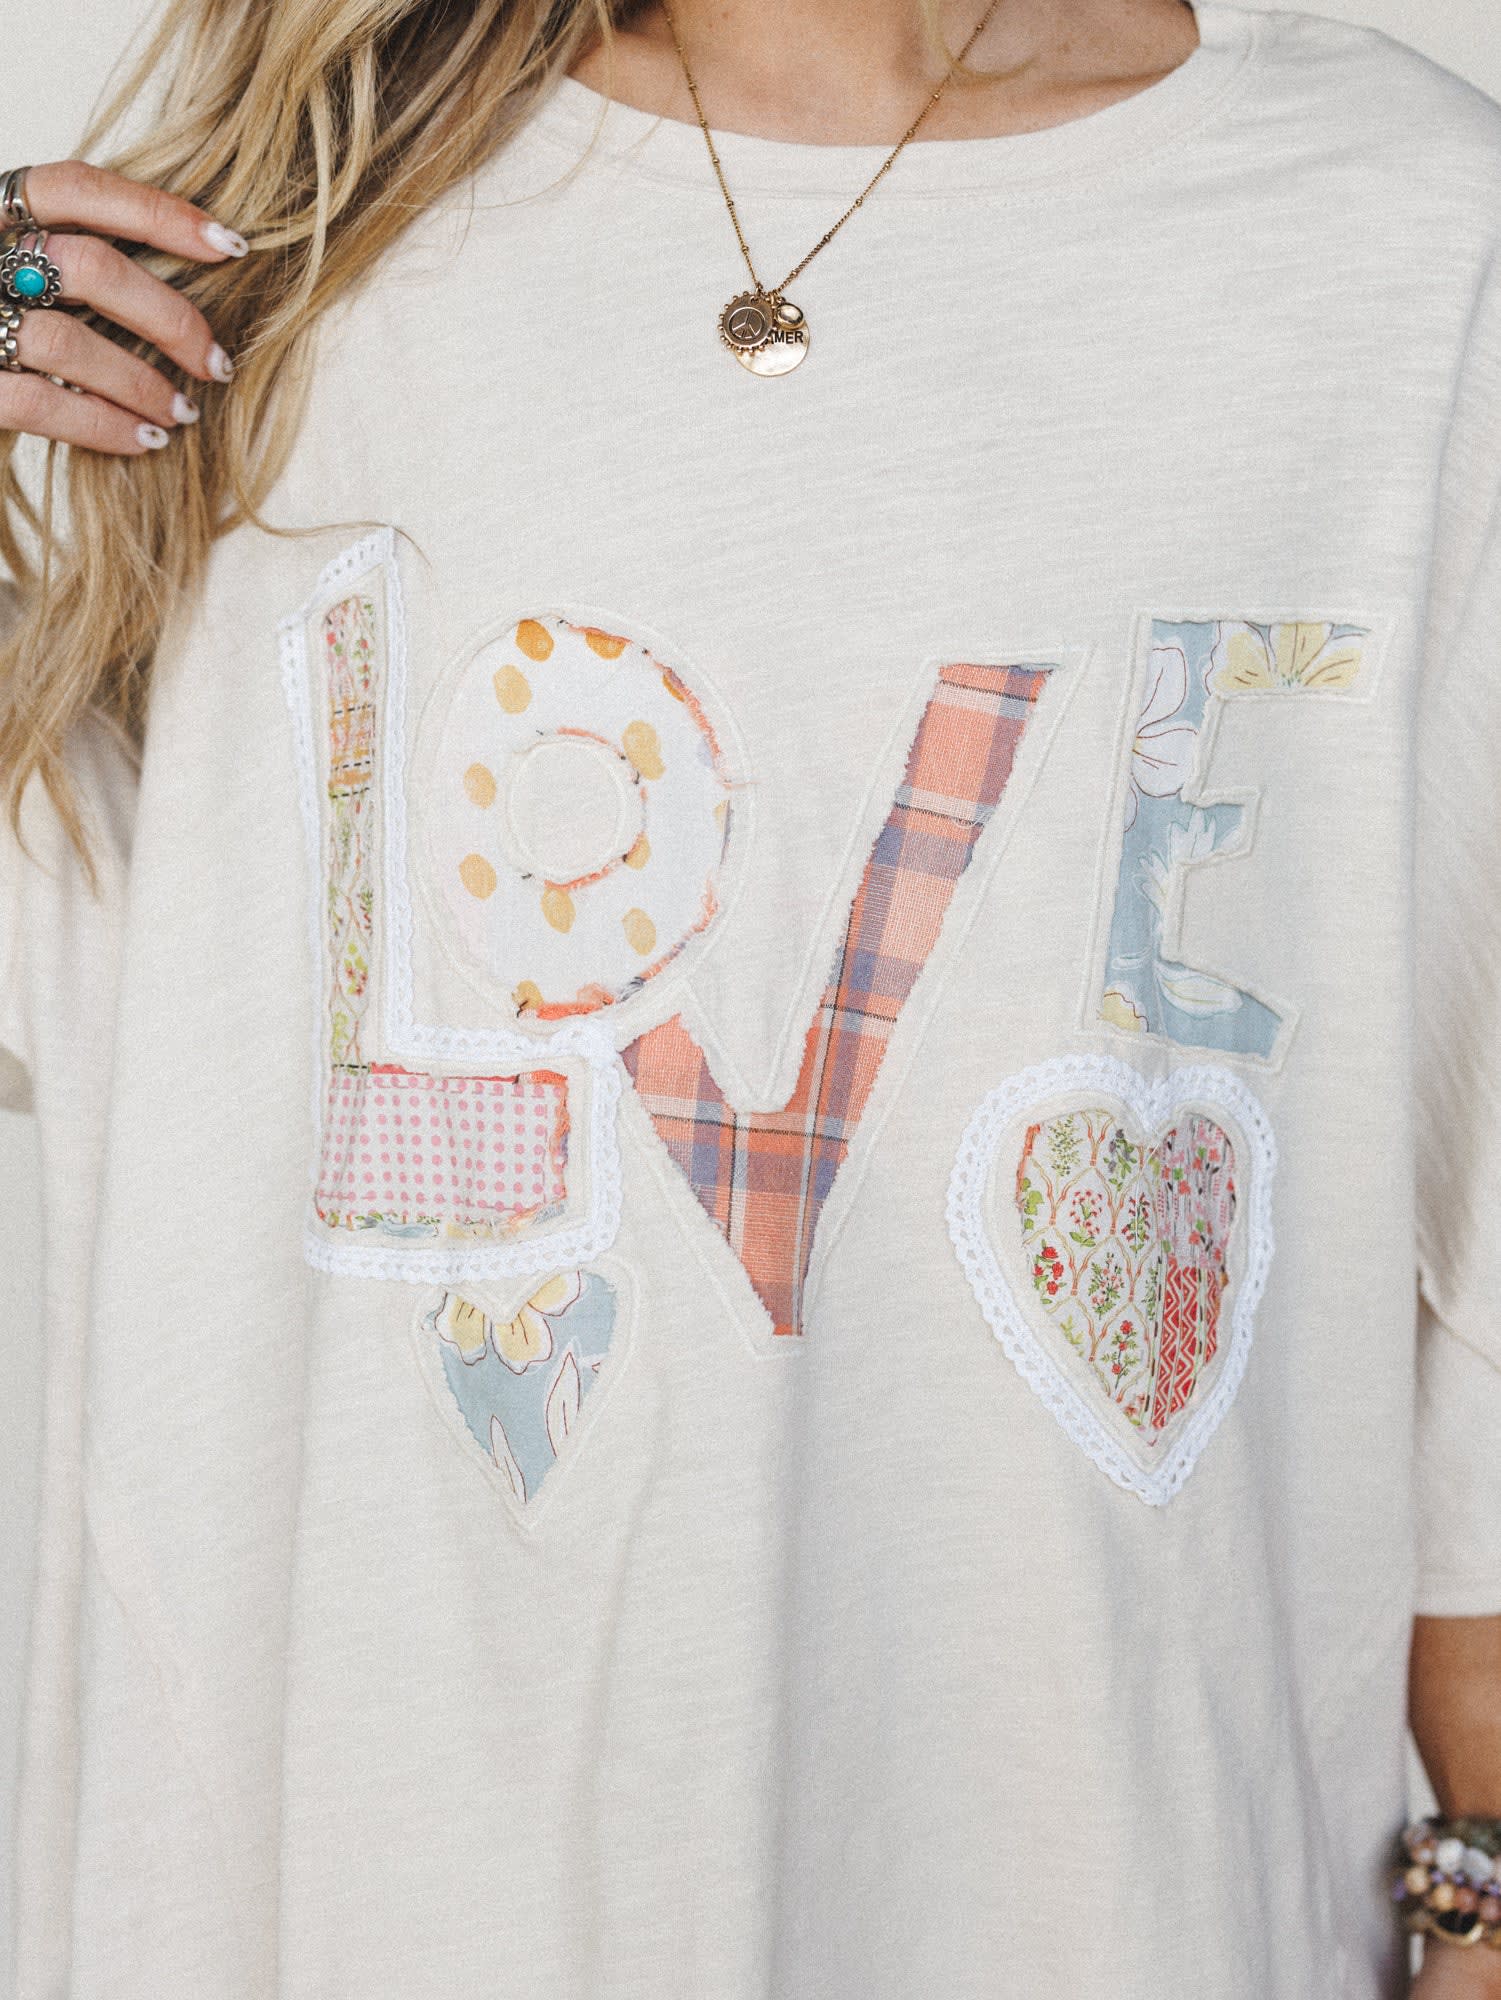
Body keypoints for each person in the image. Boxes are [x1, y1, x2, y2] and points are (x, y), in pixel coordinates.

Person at [1, 0, 1499, 1991]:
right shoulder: (258, 260)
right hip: (381, 1891)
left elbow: (1477, 1248)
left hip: (1102, 1895)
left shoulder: (1399, 234)